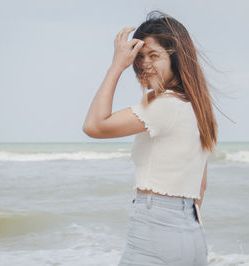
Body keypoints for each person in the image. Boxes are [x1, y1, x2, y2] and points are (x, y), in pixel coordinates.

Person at [83, 10, 217, 266]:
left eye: (154, 55)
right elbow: (200, 184)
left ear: (175, 58)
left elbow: (94, 126)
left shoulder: (163, 106)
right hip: (192, 235)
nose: (144, 63)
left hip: (155, 233)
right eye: (139, 56)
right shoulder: (197, 107)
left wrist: (116, 66)